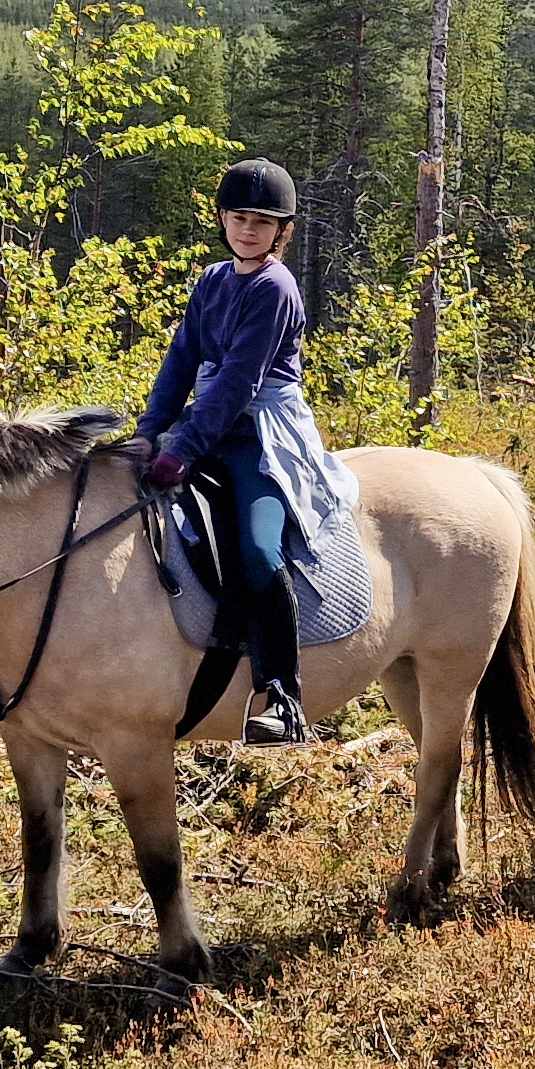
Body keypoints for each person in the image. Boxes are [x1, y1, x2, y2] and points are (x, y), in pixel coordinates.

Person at [136, 157, 356, 745]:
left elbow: (239, 382)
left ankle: (283, 694)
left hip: (260, 435)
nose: (248, 230)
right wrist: (149, 430)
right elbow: (182, 360)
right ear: (222, 218)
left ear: (281, 230)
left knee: (259, 549)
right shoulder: (211, 281)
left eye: (262, 222)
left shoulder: (274, 287)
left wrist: (182, 448)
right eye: (239, 217)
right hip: (207, 423)